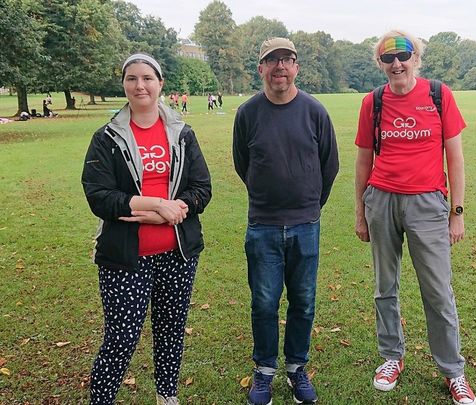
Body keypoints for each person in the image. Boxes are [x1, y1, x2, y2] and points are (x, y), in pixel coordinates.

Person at [354, 30, 476, 405]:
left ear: (416, 59)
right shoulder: (372, 102)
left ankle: (453, 370)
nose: (396, 64)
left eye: (403, 56)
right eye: (387, 59)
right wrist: (360, 212)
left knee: (438, 291)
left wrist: (457, 212)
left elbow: (454, 159)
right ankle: (392, 356)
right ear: (380, 64)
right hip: (382, 201)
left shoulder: (439, 95)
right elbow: (363, 162)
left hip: (428, 204)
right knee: (384, 286)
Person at [81, 53, 212, 405]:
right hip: (125, 258)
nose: (140, 85)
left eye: (147, 78)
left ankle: (167, 396)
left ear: (160, 83)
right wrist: (155, 206)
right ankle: (102, 399)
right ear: (124, 84)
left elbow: (201, 188)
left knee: (170, 333)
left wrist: (172, 213)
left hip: (178, 254)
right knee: (121, 338)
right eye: (132, 78)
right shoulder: (108, 137)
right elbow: (99, 196)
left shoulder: (182, 133)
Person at [233, 37, 339, 405]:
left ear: (297, 67)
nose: (280, 66)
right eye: (272, 60)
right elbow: (242, 165)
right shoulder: (247, 114)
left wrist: (309, 205)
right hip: (262, 225)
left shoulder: (315, 112)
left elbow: (330, 165)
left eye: (287, 59)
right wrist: (270, 199)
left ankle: (296, 368)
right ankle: (264, 371)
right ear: (260, 68)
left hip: (305, 225)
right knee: (264, 302)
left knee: (304, 302)